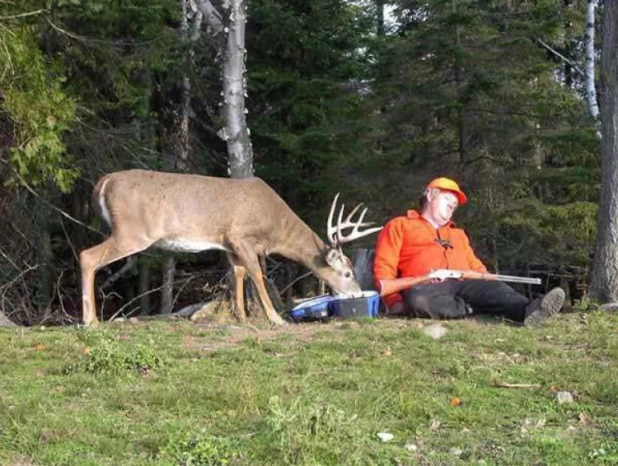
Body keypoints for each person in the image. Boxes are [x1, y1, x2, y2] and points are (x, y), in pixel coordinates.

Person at [373, 177, 565, 326]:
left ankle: (530, 310)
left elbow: (475, 265)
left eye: (454, 205)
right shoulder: (400, 225)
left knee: (494, 289)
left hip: (466, 283)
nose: (451, 206)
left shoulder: (458, 234)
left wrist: (490, 282)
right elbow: (384, 268)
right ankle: (472, 308)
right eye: (447, 199)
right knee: (418, 300)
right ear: (430, 195)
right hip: (428, 287)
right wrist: (393, 301)